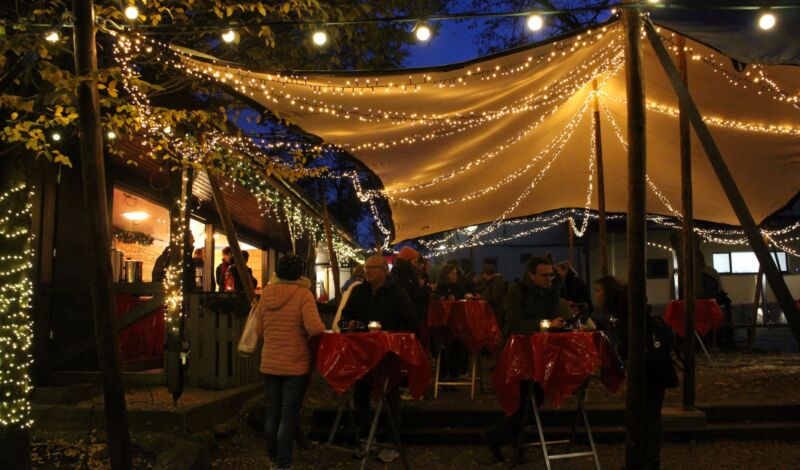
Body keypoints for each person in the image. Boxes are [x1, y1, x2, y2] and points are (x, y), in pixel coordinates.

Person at [484, 256, 571, 464]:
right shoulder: (517, 292)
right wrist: (546, 324)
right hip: (520, 353)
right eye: (544, 275)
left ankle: (501, 438)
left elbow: (551, 315)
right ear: (531, 275)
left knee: (534, 398)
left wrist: (554, 323)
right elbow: (514, 322)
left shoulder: (550, 290)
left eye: (551, 274)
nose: (549, 279)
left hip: (541, 351)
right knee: (526, 397)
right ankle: (508, 441)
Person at [595, 275, 678, 470]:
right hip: (652, 364)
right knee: (648, 413)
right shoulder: (622, 305)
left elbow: (628, 337)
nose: (596, 296)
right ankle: (646, 457)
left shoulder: (624, 306)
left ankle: (649, 459)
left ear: (607, 291)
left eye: (598, 291)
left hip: (649, 365)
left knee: (650, 413)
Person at [340, 255, 417, 463]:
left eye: (373, 268)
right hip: (363, 354)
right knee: (361, 394)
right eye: (366, 268)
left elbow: (411, 322)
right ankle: (367, 437)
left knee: (389, 396)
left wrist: (391, 334)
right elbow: (344, 318)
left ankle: (391, 442)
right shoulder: (358, 292)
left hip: (388, 354)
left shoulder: (398, 294)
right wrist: (351, 324)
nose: (368, 271)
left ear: (384, 270)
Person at [254, 253, 325, 470]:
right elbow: (315, 328)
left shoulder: (266, 294)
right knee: (288, 414)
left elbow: (259, 330)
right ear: (299, 272)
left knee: (272, 411)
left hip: (269, 362)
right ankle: (284, 464)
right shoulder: (303, 295)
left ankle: (273, 459)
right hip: (295, 363)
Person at [391, 246, 427, 321]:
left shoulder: (400, 269)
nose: (416, 265)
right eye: (415, 261)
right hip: (408, 306)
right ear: (408, 260)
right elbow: (409, 289)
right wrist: (419, 284)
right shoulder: (405, 270)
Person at [475, 264, 506, 330]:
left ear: (486, 274)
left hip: (496, 312)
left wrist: (481, 298)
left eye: (483, 274)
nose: (483, 277)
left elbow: (495, 299)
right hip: (495, 312)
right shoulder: (493, 282)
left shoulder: (496, 282)